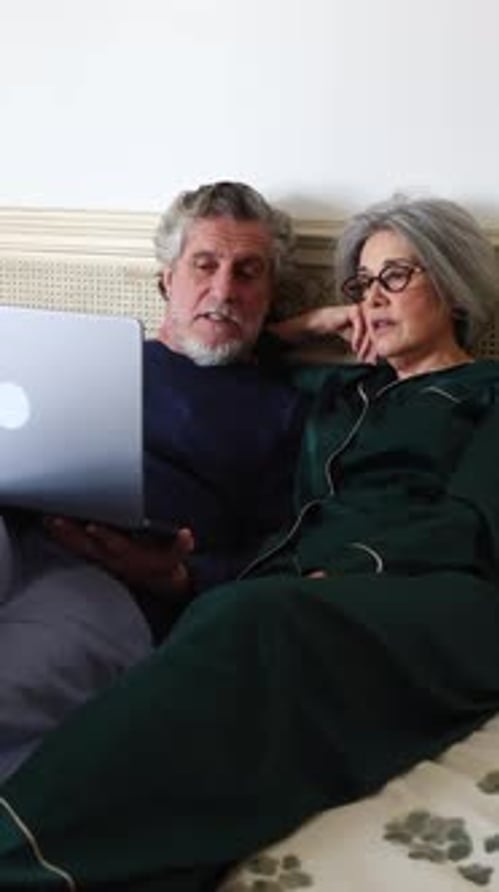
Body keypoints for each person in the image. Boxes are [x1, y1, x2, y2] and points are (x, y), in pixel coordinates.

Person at [2, 195, 499, 892]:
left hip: (426, 587)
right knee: (237, 614)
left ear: (451, 283)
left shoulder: (487, 389)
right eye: (361, 283)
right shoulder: (341, 393)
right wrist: (312, 323)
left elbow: (475, 522)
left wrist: (348, 570)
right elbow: (218, 345)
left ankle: (24, 857)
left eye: (396, 276)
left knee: (244, 615)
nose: (372, 299)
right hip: (295, 588)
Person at [0, 181, 306, 781]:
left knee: (14, 685)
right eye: (205, 265)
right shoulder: (82, 357)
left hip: (111, 583)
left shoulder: (283, 412)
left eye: (248, 273)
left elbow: (277, 554)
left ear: (270, 295)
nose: (224, 290)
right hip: (13, 523)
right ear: (167, 279)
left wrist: (178, 577)